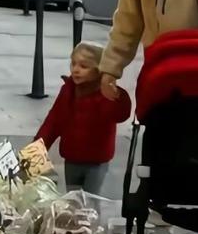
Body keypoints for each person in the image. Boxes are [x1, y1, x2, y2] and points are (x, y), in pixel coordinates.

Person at [35, 42, 131, 194]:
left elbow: (120, 114)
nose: (76, 70)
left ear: (99, 70)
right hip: (72, 157)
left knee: (90, 202)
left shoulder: (105, 93)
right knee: (72, 200)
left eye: (83, 66)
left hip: (96, 161)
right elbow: (53, 122)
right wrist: (37, 150)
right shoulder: (68, 90)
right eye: (73, 64)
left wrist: (117, 95)